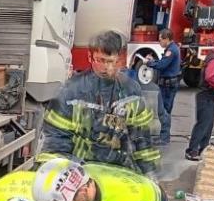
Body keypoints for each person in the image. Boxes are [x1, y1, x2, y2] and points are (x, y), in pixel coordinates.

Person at [42, 30, 160, 176]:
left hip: (119, 173)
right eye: (101, 60)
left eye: (112, 61)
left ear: (118, 58)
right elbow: (55, 140)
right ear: (90, 57)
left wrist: (150, 173)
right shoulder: (70, 92)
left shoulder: (131, 91)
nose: (108, 68)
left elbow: (142, 139)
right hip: (80, 174)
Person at [185, 33, 214, 162]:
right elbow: (210, 76)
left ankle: (203, 148)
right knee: (203, 124)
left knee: (208, 125)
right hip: (207, 96)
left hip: (210, 97)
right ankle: (192, 151)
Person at [146, 29, 181, 146]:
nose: (159, 41)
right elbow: (163, 62)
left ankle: (164, 138)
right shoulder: (172, 48)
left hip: (168, 85)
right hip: (168, 83)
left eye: (160, 39)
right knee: (165, 110)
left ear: (167, 39)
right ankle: (164, 136)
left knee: (164, 111)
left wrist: (149, 63)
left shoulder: (171, 50)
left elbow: (162, 65)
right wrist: (154, 61)